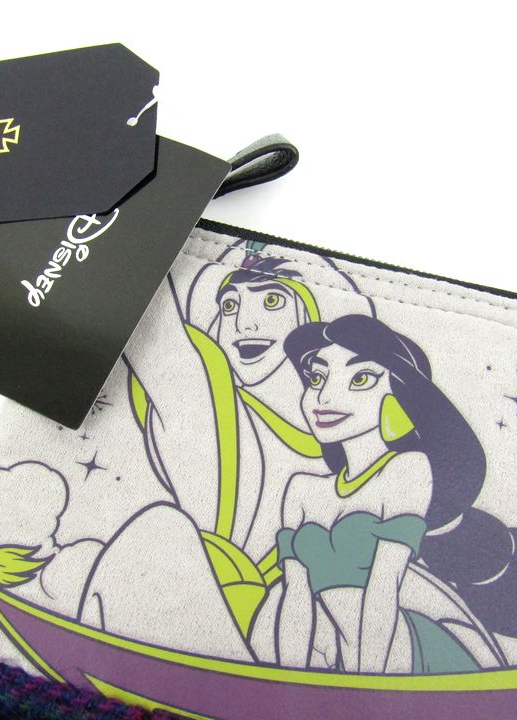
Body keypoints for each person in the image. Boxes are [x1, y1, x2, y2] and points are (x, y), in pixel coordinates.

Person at [77, 240, 373, 659]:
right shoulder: (208, 401)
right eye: (230, 305)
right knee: (161, 528)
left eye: (272, 301)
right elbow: (159, 328)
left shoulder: (354, 454)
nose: (244, 324)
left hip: (269, 640)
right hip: (167, 613)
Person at [277, 315, 517, 674]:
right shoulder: (301, 489)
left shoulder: (408, 471)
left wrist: (366, 688)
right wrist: (284, 682)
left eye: (361, 378)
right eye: (317, 378)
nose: (324, 397)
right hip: (341, 658)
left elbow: (385, 589)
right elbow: (295, 597)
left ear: (401, 395)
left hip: (407, 659)